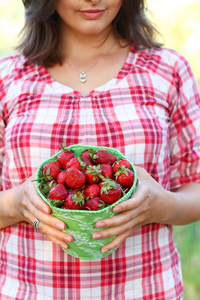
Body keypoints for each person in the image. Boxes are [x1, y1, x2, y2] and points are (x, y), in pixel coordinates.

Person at [0, 0, 200, 299]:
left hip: (145, 290)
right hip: (27, 290)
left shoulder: (168, 69)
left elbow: (195, 184)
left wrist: (161, 204)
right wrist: (17, 203)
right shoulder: (8, 77)